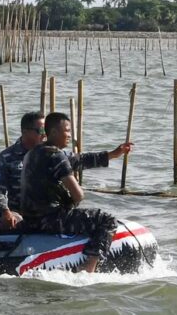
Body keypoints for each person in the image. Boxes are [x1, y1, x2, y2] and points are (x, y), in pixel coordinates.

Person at [20, 112, 133, 273]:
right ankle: (89, 267)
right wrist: (70, 207)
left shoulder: (33, 153)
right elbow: (78, 195)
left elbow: (79, 160)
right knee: (106, 221)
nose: (70, 135)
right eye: (67, 130)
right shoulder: (56, 156)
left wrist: (113, 154)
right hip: (50, 220)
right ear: (53, 132)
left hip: (30, 220)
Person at [0, 111, 46, 230]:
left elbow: (78, 160)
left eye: (46, 131)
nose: (44, 135)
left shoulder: (51, 153)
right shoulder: (7, 157)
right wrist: (4, 211)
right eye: (41, 131)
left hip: (48, 215)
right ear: (25, 131)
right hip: (19, 215)